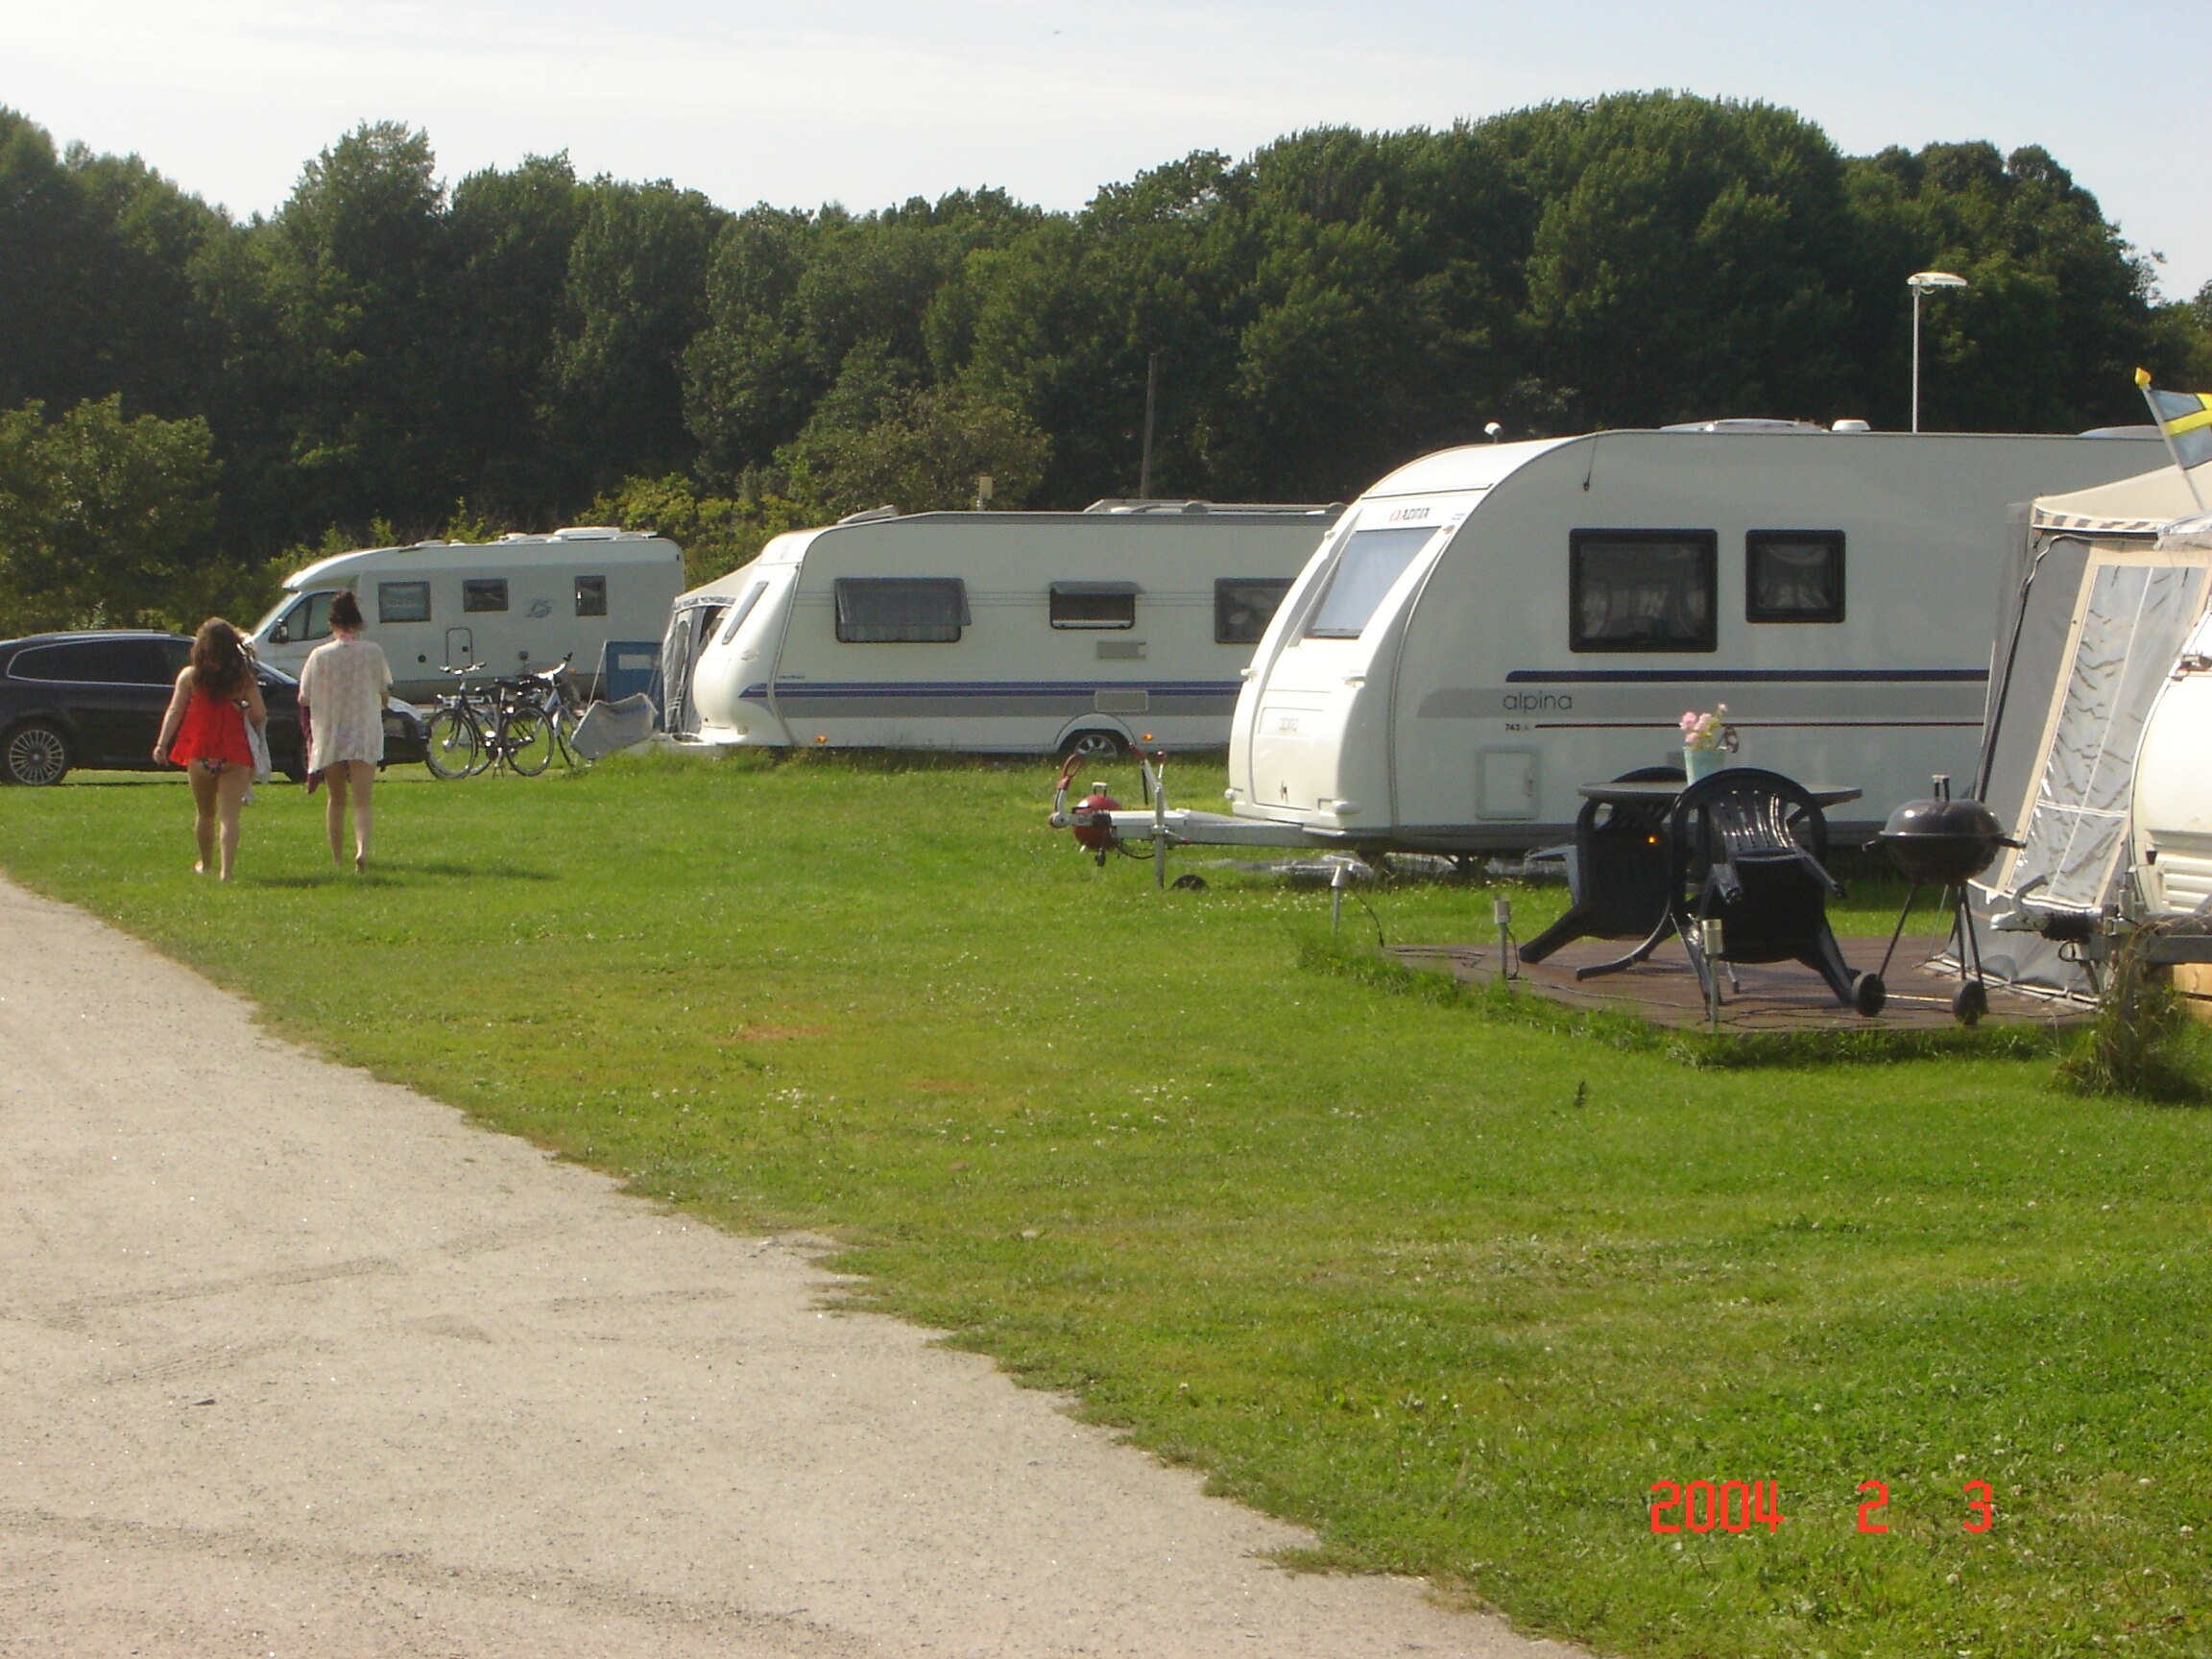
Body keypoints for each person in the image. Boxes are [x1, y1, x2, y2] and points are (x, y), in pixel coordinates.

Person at [153, 618, 268, 881]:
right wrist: (242, 710)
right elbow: (259, 713)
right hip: (234, 753)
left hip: (200, 752)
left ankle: (206, 864)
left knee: (205, 813)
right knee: (229, 817)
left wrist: (162, 743)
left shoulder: (190, 677)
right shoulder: (243, 678)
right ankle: (227, 872)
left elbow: (175, 710)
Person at [296, 589, 394, 872]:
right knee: (362, 800)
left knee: (336, 799)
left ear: (331, 624)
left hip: (330, 732)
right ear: (358, 623)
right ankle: (362, 849)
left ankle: (337, 858)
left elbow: (304, 696)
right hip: (363, 730)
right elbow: (383, 689)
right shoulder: (372, 653)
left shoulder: (319, 656)